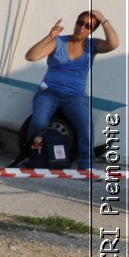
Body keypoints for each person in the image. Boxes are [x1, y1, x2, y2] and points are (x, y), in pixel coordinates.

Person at [21, 9, 118, 168]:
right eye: (80, 22)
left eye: (88, 26)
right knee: (39, 122)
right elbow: (31, 56)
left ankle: (86, 165)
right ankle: (30, 157)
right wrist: (49, 36)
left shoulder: (93, 45)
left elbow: (113, 44)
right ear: (75, 23)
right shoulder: (58, 41)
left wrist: (102, 17)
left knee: (86, 125)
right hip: (49, 92)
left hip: (75, 96)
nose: (82, 27)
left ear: (91, 31)